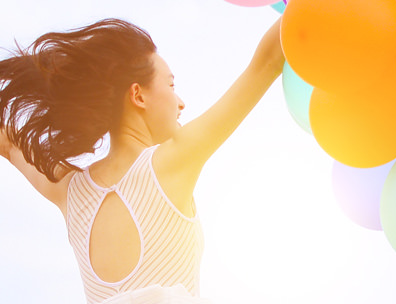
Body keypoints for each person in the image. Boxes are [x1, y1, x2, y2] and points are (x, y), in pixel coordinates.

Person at [0, 17, 285, 303]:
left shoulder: (69, 191)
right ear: (138, 95)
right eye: (171, 85)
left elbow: (9, 145)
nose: (181, 102)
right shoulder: (171, 161)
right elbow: (268, 61)